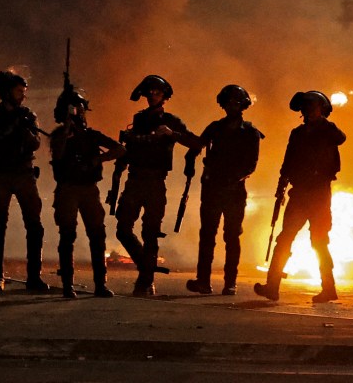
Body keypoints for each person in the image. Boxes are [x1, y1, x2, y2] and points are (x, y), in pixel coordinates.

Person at [254, 90, 346, 303]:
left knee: (319, 241)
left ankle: (329, 287)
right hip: (300, 194)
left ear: (321, 110)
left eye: (313, 108)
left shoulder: (328, 131)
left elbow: (341, 138)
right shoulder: (297, 134)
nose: (308, 112)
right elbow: (288, 162)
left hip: (319, 195)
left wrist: (323, 122)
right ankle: (272, 286)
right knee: (284, 238)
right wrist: (281, 186)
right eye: (305, 109)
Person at [114, 75, 200, 297]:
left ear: (164, 97)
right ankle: (146, 266)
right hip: (134, 180)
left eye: (157, 93)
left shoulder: (171, 120)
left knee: (150, 233)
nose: (152, 96)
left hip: (155, 182)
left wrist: (173, 134)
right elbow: (128, 151)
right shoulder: (138, 119)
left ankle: (145, 281)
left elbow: (195, 142)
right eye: (149, 93)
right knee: (123, 230)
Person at [185, 85, 264, 296]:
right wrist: (188, 155)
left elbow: (251, 165)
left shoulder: (250, 132)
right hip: (212, 190)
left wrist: (232, 179)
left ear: (242, 105)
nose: (231, 106)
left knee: (232, 237)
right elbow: (197, 144)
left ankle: (230, 283)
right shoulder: (215, 128)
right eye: (228, 102)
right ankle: (203, 281)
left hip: (234, 192)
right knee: (207, 236)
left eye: (236, 103)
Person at [50, 90, 125, 298]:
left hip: (89, 188)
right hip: (67, 189)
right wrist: (67, 127)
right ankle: (67, 285)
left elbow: (119, 149)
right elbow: (57, 153)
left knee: (97, 235)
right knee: (67, 235)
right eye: (76, 109)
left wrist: (97, 160)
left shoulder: (91, 135)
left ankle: (100, 284)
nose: (79, 113)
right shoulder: (59, 135)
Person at [0, 71, 50, 294]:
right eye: (19, 92)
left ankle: (34, 277)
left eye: (23, 92)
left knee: (34, 225)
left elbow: (35, 144)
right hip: (0, 174)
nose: (22, 96)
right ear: (7, 91)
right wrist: (11, 127)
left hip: (24, 173)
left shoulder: (28, 115)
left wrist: (24, 128)